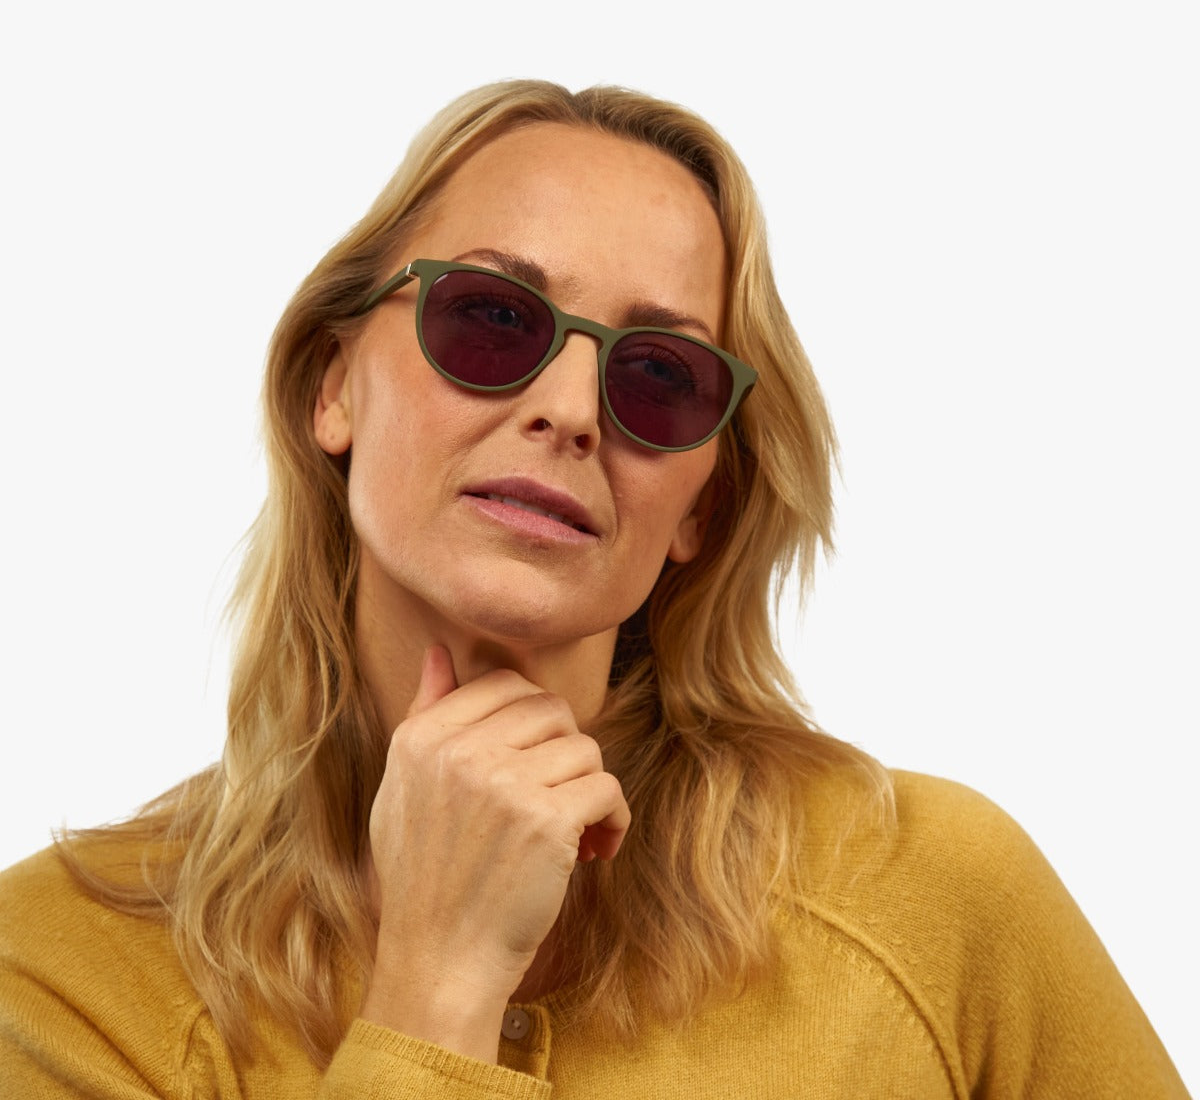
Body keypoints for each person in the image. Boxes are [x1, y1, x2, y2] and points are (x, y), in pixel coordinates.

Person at [0, 81, 1187, 1098]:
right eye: (490, 318)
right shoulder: (61, 978)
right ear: (334, 386)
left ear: (702, 506)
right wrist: (435, 993)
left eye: (660, 377)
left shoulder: (933, 897)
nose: (569, 409)